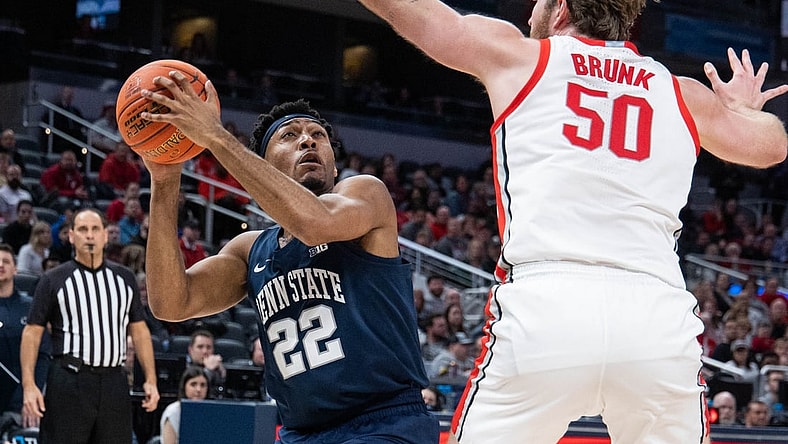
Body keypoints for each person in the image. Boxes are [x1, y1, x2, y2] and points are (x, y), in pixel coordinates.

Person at [354, 0, 788, 443]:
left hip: (548, 304)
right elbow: (771, 145)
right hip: (654, 317)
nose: (528, 16)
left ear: (560, 9)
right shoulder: (681, 91)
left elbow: (419, 15)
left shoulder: (521, 56)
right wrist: (743, 111)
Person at [140, 90, 438, 442]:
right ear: (263, 166)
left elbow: (315, 225)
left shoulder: (364, 194)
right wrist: (164, 180)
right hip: (300, 433)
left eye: (318, 136)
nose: (308, 141)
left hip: (383, 424)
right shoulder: (249, 250)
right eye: (290, 135)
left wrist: (215, 137)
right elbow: (171, 303)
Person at [19, 207, 160, 443]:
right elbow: (32, 332)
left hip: (114, 381)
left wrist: (151, 379)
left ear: (106, 235)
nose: (90, 235)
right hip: (69, 379)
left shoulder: (125, 279)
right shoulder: (53, 279)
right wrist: (29, 385)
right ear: (72, 236)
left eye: (95, 229)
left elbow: (140, 331)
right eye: (83, 229)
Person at [0, 243, 49, 430]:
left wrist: (29, 395)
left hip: (23, 401)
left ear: (15, 268)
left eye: (5, 261)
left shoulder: (30, 307)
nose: (1, 265)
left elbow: (43, 356)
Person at [159, 366, 209, 444]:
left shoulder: (210, 412)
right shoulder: (173, 411)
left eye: (203, 385)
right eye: (193, 384)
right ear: (184, 387)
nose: (198, 389)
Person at [185, 329, 225, 397]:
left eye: (208, 347)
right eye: (200, 347)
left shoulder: (217, 369)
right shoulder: (184, 368)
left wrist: (222, 373)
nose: (205, 351)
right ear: (190, 350)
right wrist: (208, 370)